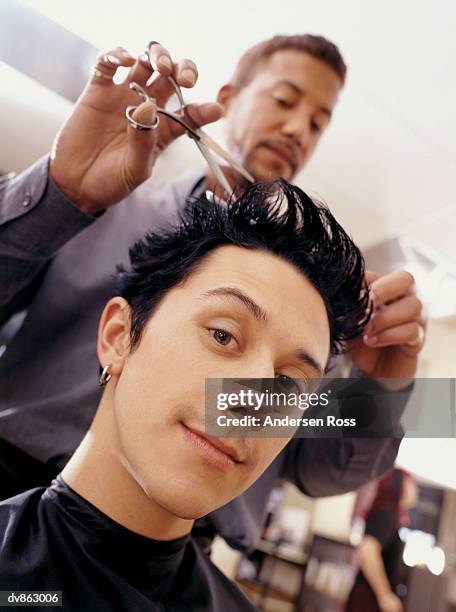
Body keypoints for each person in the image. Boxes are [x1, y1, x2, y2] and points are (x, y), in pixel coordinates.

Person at [0, 35, 424, 550]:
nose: (297, 129)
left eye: (317, 122)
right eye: (285, 101)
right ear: (228, 97)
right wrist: (61, 193)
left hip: (176, 562)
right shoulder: (103, 205)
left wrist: (379, 392)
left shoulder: (309, 316)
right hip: (19, 498)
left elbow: (322, 471)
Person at [0, 179, 368, 611]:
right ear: (119, 336)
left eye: (288, 382)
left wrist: (390, 388)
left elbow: (357, 452)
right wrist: (61, 184)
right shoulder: (116, 212)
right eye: (224, 335)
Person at [345, 469, 418, 612]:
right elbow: (367, 549)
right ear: (399, 485)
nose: (416, 490)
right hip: (366, 601)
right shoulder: (385, 514)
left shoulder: (390, 515)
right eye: (412, 483)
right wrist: (384, 596)